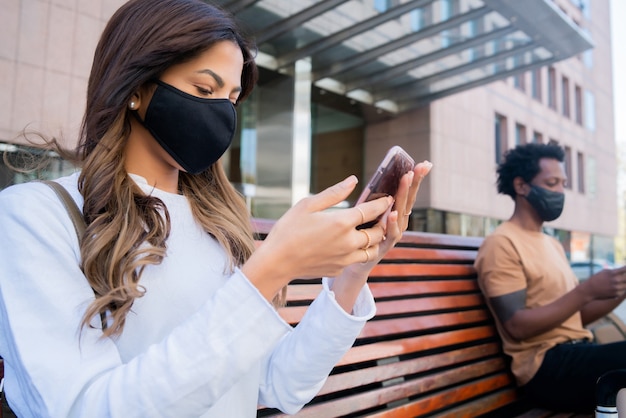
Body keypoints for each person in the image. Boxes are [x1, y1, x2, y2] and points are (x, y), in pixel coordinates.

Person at [0, 0, 433, 417]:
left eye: (230, 98)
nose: (220, 112)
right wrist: (271, 268)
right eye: (204, 89)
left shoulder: (218, 224)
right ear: (135, 87)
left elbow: (279, 384)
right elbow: (85, 408)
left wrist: (353, 273)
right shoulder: (36, 215)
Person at [474, 142, 626, 413]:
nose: (560, 192)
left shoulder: (552, 244)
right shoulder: (501, 243)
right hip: (544, 367)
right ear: (521, 186)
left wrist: (622, 288)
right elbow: (516, 326)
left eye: (562, 184)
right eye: (552, 183)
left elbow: (574, 317)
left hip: (577, 352)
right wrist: (587, 290)